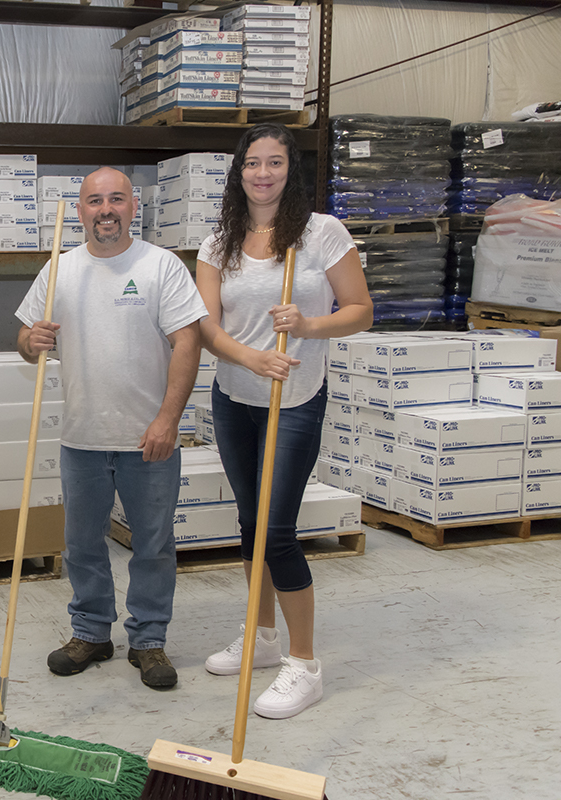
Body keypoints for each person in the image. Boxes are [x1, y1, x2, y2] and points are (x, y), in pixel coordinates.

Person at [195, 124, 373, 718]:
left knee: (276, 532)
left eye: (274, 163)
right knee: (249, 524)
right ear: (238, 172)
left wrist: (307, 326)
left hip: (295, 398)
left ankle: (305, 665)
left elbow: (361, 310)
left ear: (289, 170)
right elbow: (207, 326)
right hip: (235, 395)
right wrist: (249, 356)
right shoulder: (220, 239)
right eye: (252, 164)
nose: (263, 174)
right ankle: (262, 638)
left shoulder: (322, 233)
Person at [16, 167, 207, 690]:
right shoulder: (59, 269)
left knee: (152, 545)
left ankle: (148, 640)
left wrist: (168, 419)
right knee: (81, 545)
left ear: (132, 206)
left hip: (150, 437)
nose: (106, 209)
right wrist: (30, 343)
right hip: (82, 437)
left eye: (116, 199)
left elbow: (187, 343)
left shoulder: (161, 266)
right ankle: (92, 632)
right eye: (95, 200)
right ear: (80, 210)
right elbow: (26, 338)